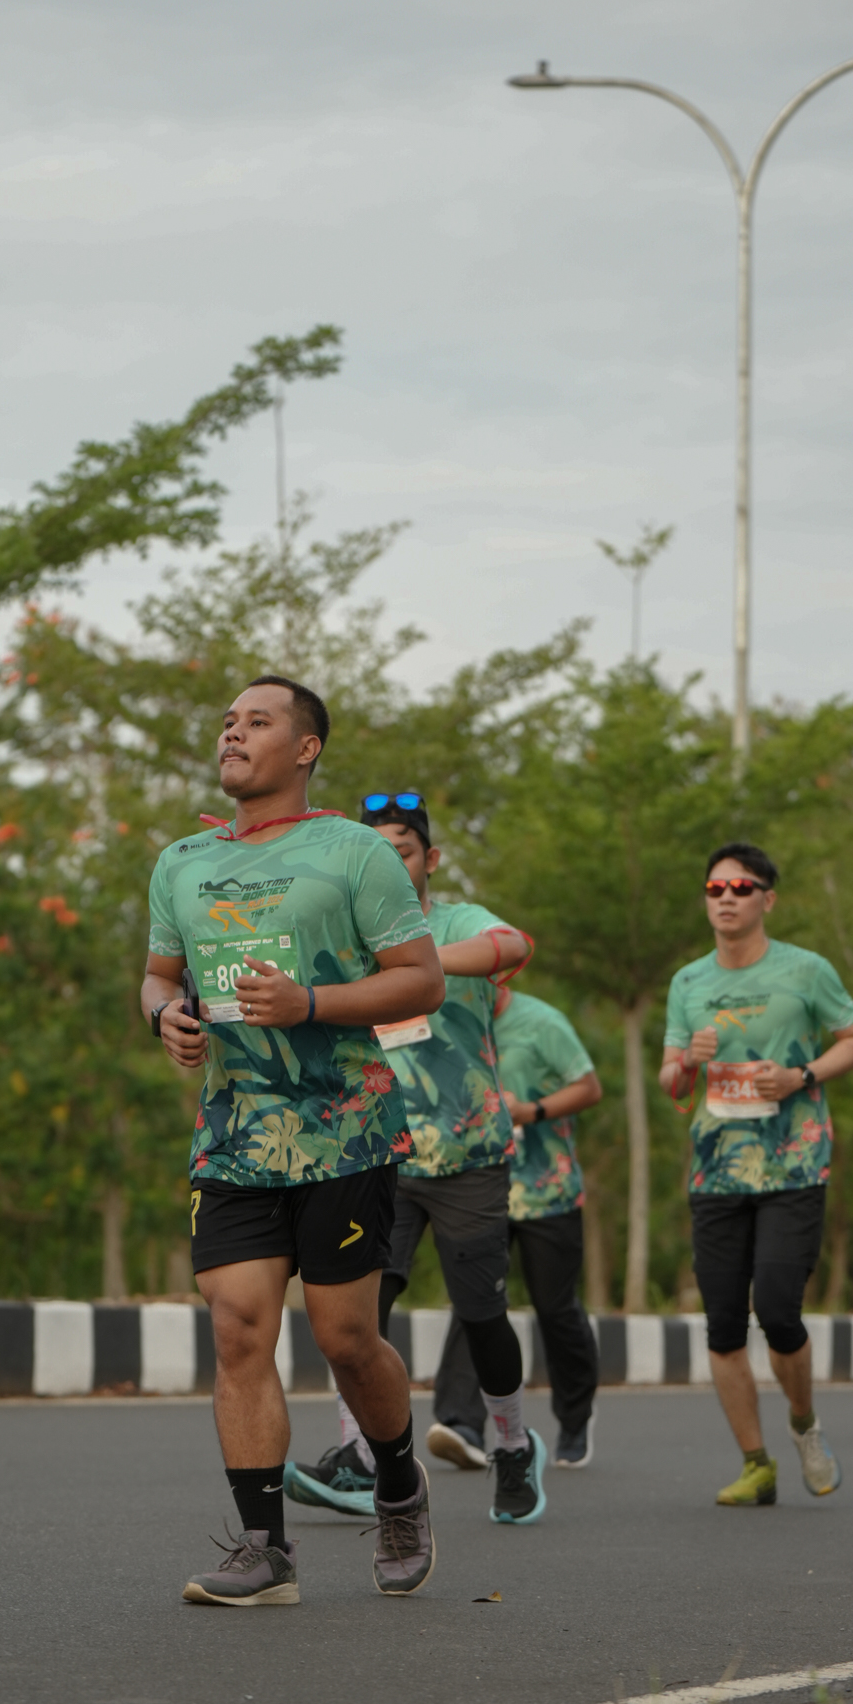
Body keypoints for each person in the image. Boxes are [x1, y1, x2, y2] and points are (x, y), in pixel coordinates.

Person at [141, 680, 445, 1606]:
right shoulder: (182, 862)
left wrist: (309, 1002)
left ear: (307, 748)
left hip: (344, 1129)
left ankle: (399, 1484)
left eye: (257, 721)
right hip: (235, 1131)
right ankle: (264, 1549)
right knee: (239, 1328)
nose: (233, 733)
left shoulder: (354, 852)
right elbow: (158, 976)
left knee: (347, 1338)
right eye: (227, 722)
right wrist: (166, 1017)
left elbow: (421, 980)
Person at [284, 791, 549, 1524]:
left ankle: (511, 1444)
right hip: (375, 1152)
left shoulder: (456, 922)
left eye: (400, 850)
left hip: (468, 1154)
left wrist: (418, 963)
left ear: (429, 859)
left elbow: (513, 946)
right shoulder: (342, 931)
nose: (388, 863)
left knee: (482, 1313)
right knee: (357, 1315)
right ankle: (360, 1456)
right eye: (374, 852)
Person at [658, 843, 853, 1507]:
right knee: (723, 1326)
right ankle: (756, 1464)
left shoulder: (806, 970)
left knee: (779, 1311)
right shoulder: (688, 983)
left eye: (741, 888)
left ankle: (804, 1424)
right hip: (717, 1171)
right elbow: (670, 1082)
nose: (726, 898)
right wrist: (686, 1064)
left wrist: (801, 1076)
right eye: (715, 888)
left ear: (767, 900)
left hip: (792, 1165)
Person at [426, 984, 603, 1468]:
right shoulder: (449, 1021)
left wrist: (532, 1111)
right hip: (477, 1186)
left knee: (555, 1307)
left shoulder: (543, 1023)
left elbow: (589, 1087)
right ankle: (462, 1423)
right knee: (474, 1300)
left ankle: (575, 1419)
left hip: (546, 1190)